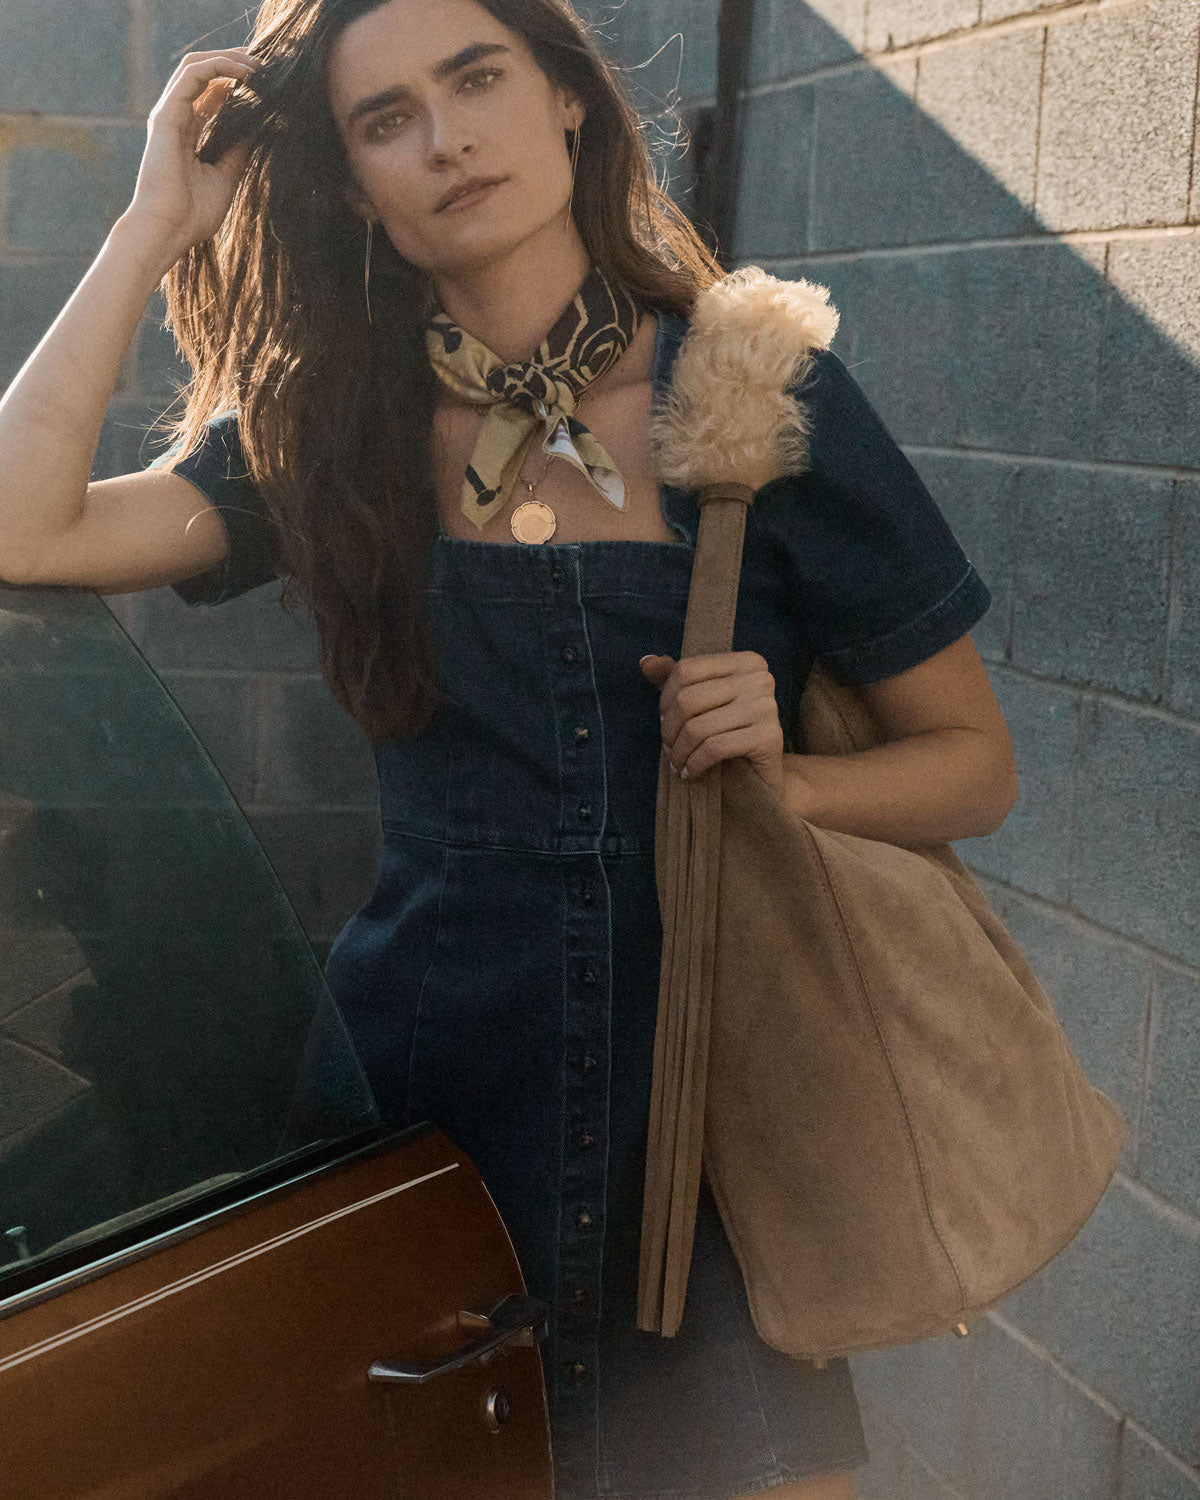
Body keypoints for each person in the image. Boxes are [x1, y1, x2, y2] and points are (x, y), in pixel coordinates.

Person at [0, 0, 1019, 1495]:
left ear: (569, 103)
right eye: (384, 117)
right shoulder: (330, 426)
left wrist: (781, 774)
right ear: (353, 182)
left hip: (708, 1143)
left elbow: (973, 768)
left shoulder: (752, 394)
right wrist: (158, 218)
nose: (444, 138)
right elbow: (23, 526)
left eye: (476, 79)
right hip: (423, 1128)